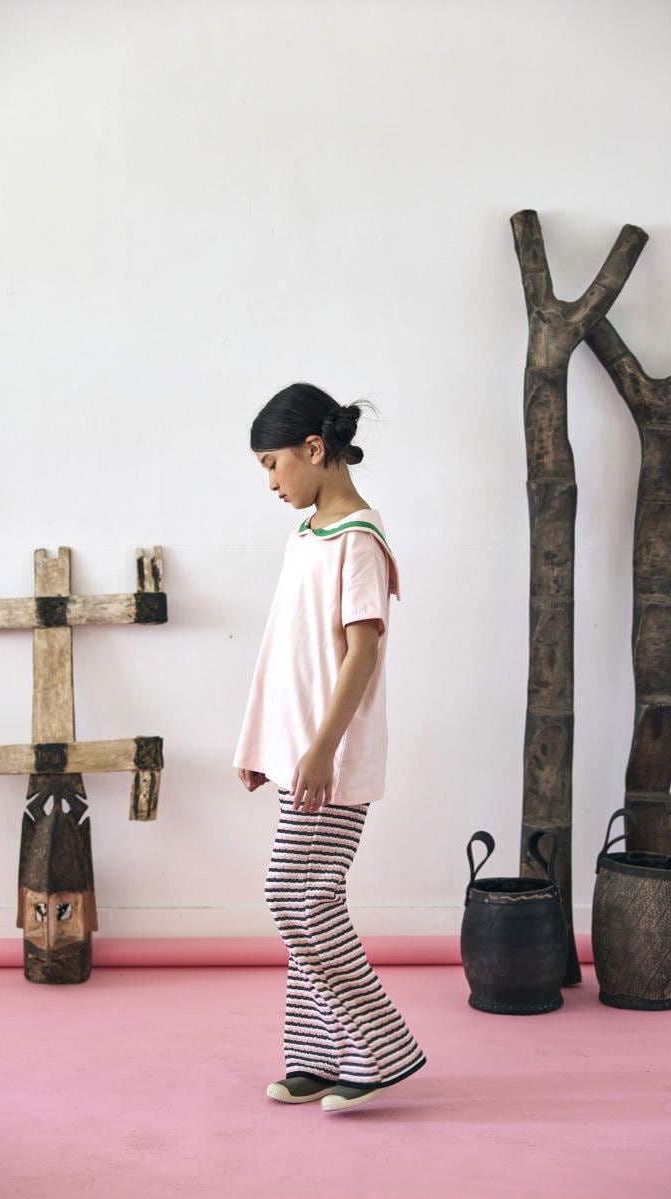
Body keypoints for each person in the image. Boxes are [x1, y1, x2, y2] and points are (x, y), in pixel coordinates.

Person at [232, 381, 427, 1113]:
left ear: (314, 449)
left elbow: (361, 655)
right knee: (308, 896)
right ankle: (316, 1056)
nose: (271, 483)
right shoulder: (308, 536)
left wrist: (319, 750)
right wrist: (264, 743)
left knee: (298, 896)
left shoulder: (359, 541)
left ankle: (381, 1049)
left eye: (273, 464)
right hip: (302, 755)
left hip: (331, 757)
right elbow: (285, 653)